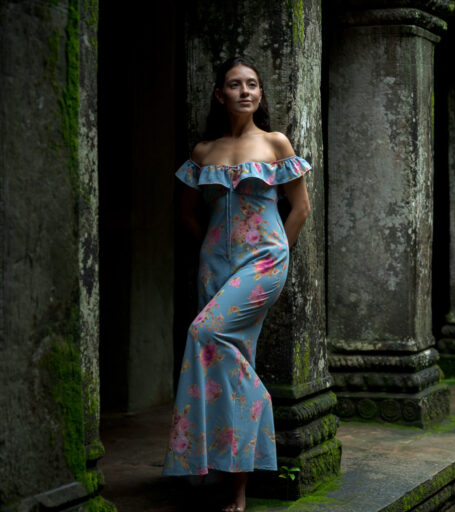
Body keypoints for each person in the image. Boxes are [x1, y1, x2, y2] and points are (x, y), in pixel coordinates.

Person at [162, 56, 311, 512]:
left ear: (260, 94)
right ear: (219, 94)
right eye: (234, 84)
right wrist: (211, 247)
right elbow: (187, 213)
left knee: (202, 333)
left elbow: (300, 208)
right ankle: (232, 484)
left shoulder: (275, 143)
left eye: (252, 84)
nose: (245, 91)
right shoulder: (204, 152)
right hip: (215, 267)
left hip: (263, 262)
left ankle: (251, 418)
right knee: (224, 360)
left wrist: (277, 253)